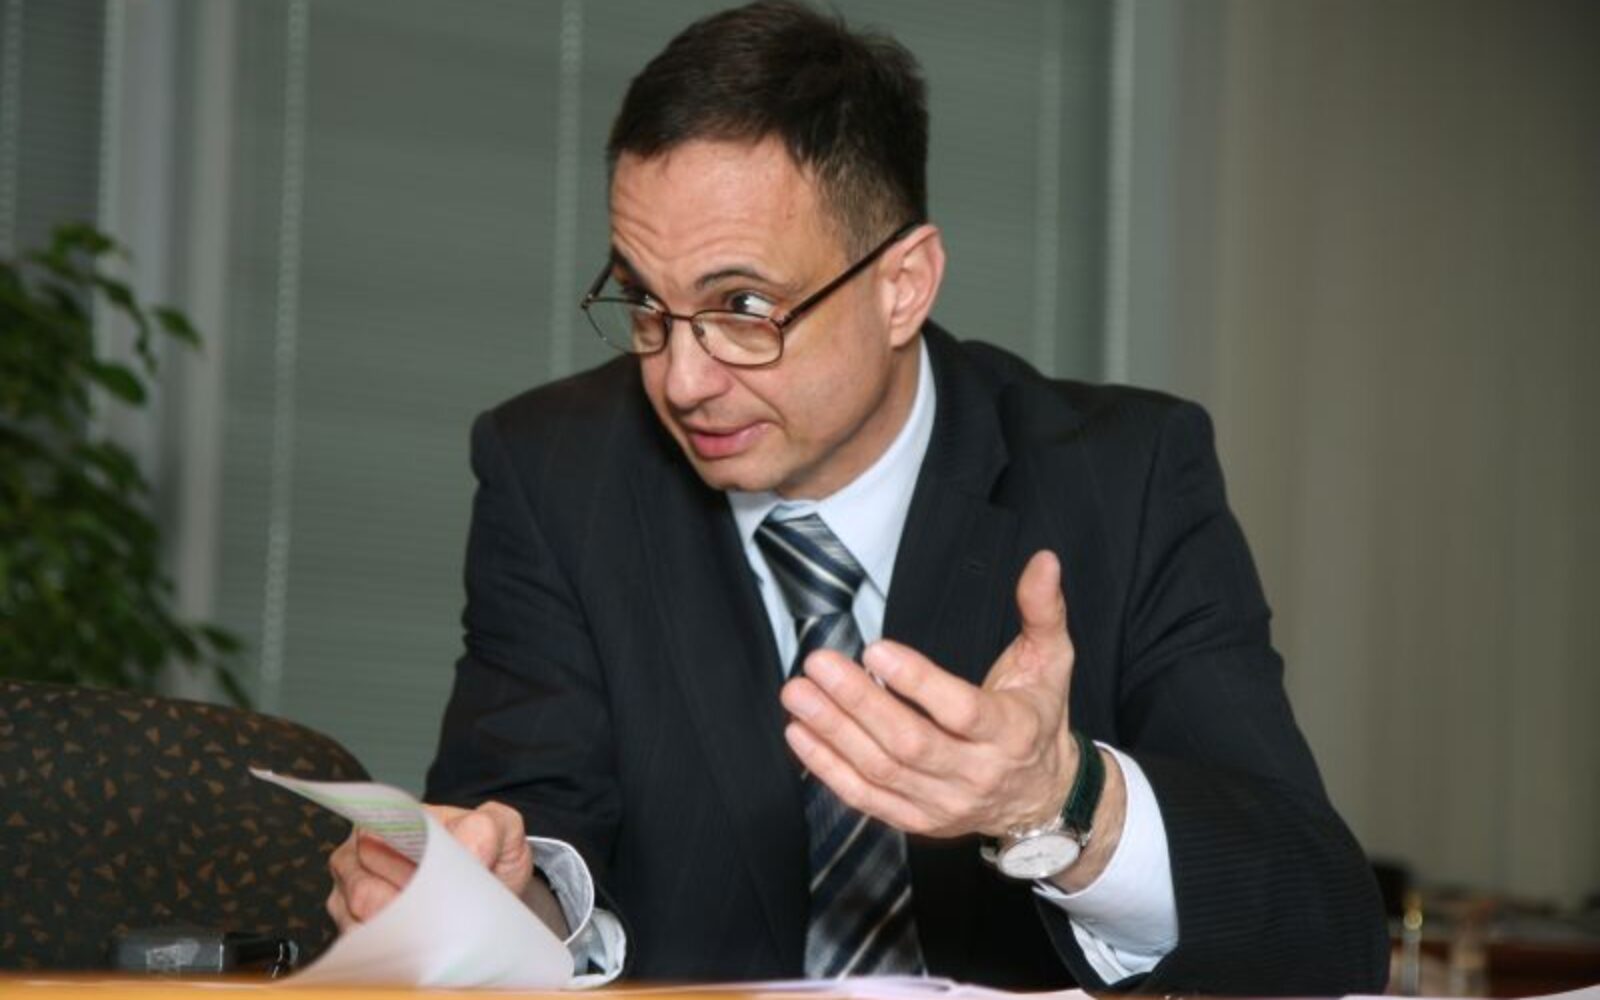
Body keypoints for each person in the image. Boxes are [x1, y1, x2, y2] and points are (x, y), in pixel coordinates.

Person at [326, 1, 1388, 992]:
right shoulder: (555, 471)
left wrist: (1058, 800)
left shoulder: (1125, 477)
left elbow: (1321, 917)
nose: (681, 379)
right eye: (644, 304)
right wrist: (488, 902)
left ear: (902, 286)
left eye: (744, 307)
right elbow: (537, 829)